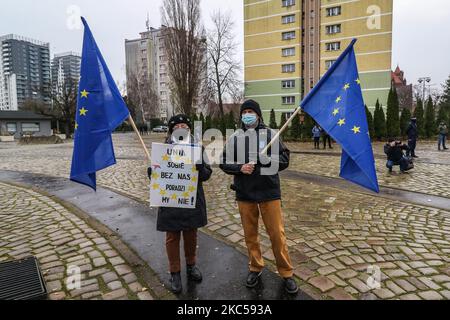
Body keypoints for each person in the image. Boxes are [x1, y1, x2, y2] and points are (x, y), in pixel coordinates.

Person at [219, 99, 298, 295]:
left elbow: (285, 159)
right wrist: (240, 168)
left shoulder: (272, 135)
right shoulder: (235, 137)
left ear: (258, 114)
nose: (247, 115)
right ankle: (255, 267)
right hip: (245, 193)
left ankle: (286, 273)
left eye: (250, 112)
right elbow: (223, 162)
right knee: (250, 236)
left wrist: (265, 159)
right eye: (244, 112)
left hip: (269, 192)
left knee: (277, 235)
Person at [147, 114, 212, 294]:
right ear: (171, 130)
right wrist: (152, 172)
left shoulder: (197, 148)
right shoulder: (163, 149)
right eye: (177, 126)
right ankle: (174, 271)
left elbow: (207, 175)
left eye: (184, 125)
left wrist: (200, 166)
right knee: (172, 237)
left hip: (191, 200)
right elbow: (157, 176)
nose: (180, 128)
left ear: (189, 129)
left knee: (191, 235)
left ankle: (191, 265)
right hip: (170, 201)